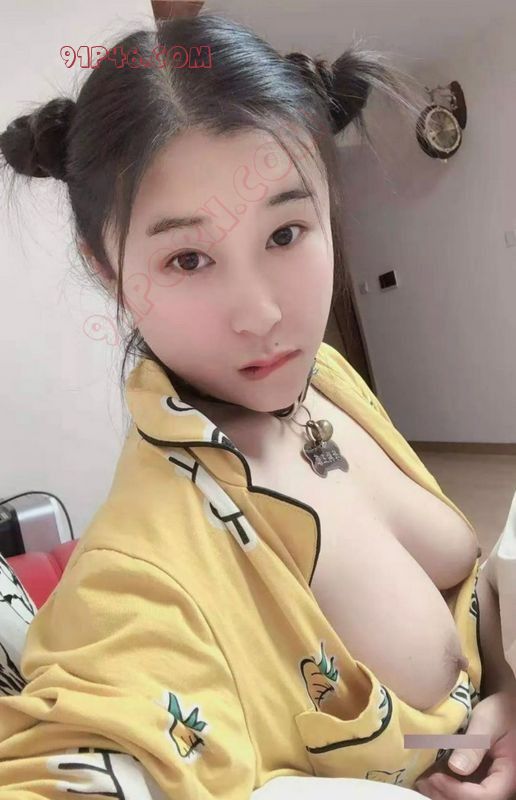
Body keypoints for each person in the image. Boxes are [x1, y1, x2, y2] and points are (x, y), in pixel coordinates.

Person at [0, 11, 515, 800]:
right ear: (106, 268)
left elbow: (466, 601)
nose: (263, 315)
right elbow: (80, 756)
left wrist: (502, 706)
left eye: (285, 233)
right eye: (188, 258)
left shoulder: (325, 380)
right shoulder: (141, 569)